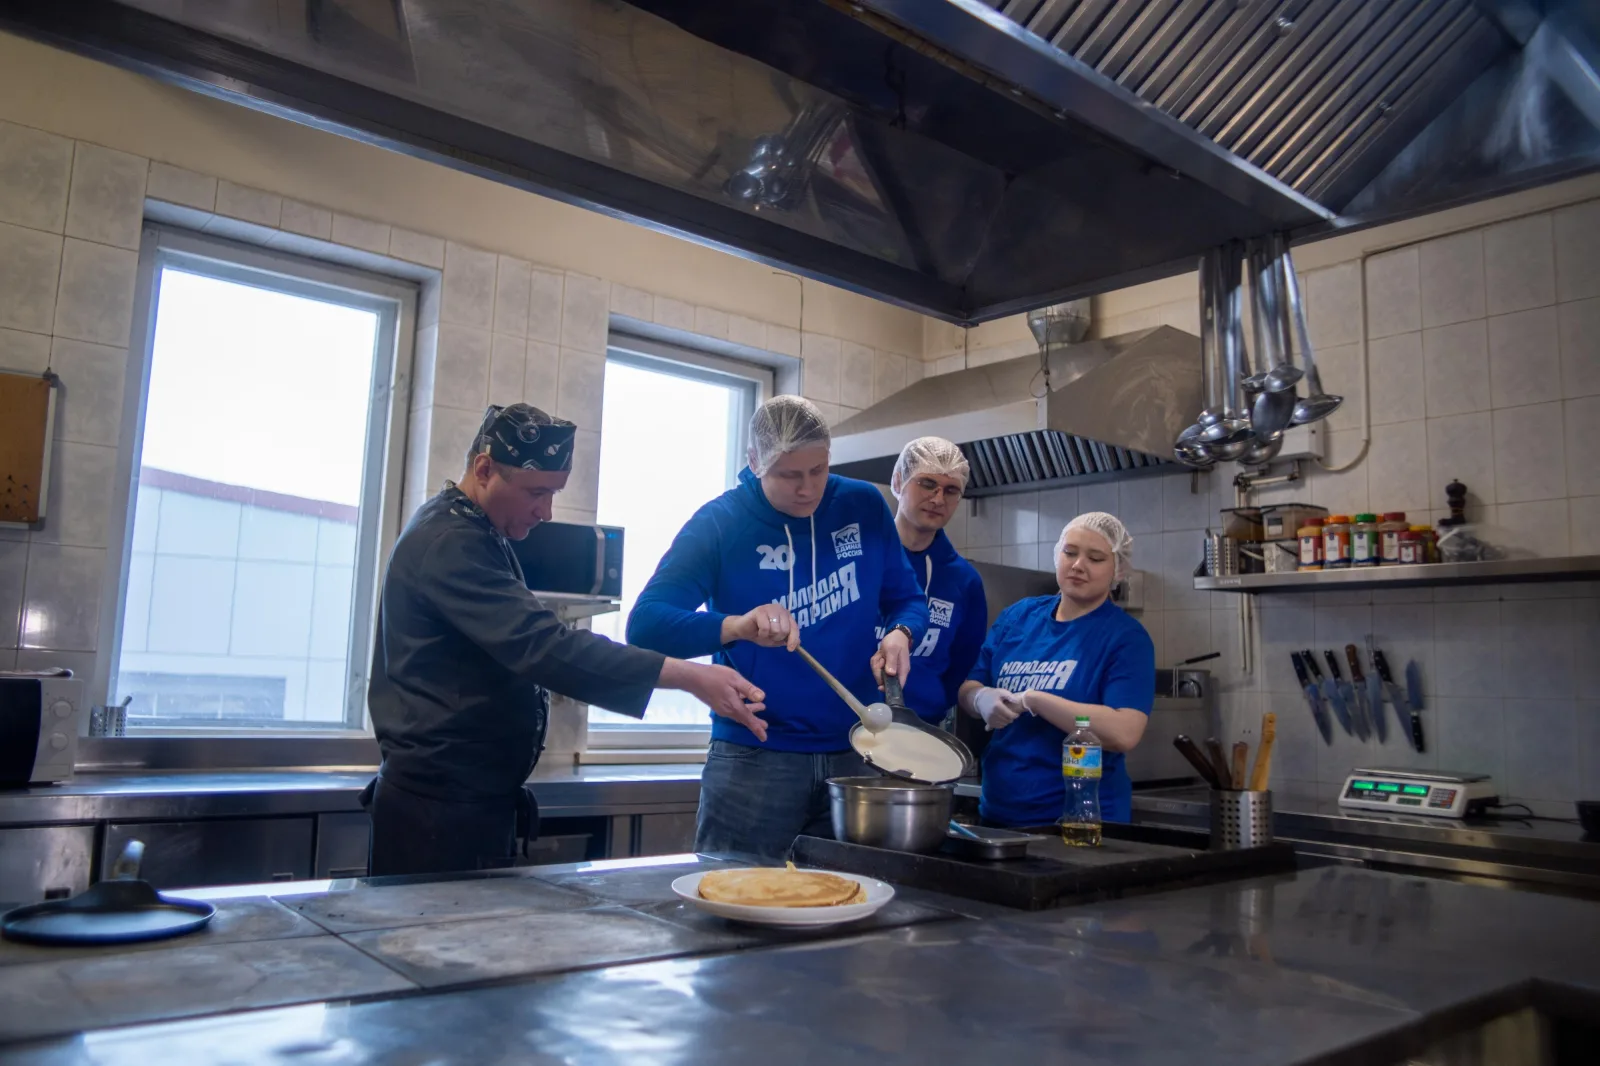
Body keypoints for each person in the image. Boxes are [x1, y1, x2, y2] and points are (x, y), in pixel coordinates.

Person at [366, 403, 766, 876]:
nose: (545, 512)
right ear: (484, 469)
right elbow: (546, 647)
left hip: (469, 804)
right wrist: (691, 675)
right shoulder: (451, 541)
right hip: (436, 816)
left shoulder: (477, 532)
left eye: (553, 494)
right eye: (536, 492)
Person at [627, 395, 928, 859]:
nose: (808, 488)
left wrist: (900, 632)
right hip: (753, 756)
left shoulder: (863, 506)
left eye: (819, 470)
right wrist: (735, 626)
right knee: (733, 905)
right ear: (753, 462)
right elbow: (646, 624)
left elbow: (906, 598)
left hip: (857, 755)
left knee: (848, 905)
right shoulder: (720, 523)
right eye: (789, 475)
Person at [957, 511, 1154, 826]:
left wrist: (1036, 701)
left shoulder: (1125, 637)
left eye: (1095, 558)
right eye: (1070, 552)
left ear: (1117, 570)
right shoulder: (1018, 618)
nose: (1078, 565)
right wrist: (981, 699)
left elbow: (1124, 732)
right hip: (998, 813)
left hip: (1080, 823)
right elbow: (969, 686)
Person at [874, 436, 987, 726]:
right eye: (926, 484)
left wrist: (931, 704)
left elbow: (963, 663)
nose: (938, 499)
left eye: (951, 490)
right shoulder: (862, 559)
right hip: (847, 727)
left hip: (922, 732)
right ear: (898, 483)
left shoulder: (964, 580)